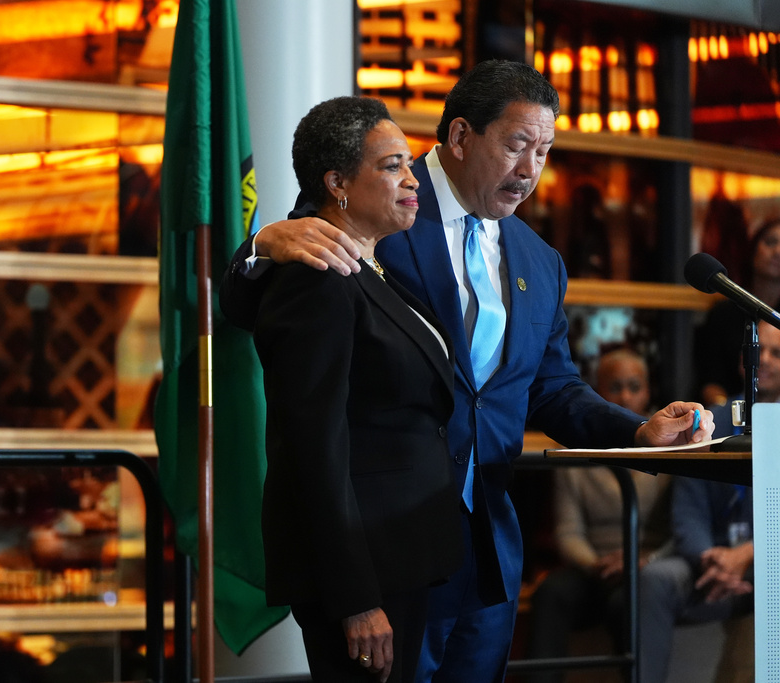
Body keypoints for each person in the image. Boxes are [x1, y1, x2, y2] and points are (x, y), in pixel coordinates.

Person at [220, 60, 714, 683]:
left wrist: (637, 431)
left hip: (488, 552)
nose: (532, 168)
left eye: (545, 150)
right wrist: (260, 242)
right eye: (516, 145)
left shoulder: (541, 260)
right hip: (384, 546)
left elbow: (551, 389)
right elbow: (268, 292)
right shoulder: (380, 206)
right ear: (459, 138)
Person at [255, 96, 463, 683]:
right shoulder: (316, 282)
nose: (412, 177)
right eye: (393, 164)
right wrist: (355, 599)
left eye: (409, 162)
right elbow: (313, 448)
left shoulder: (372, 268)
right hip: (362, 572)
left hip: (402, 552)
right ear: (338, 183)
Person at [639, 322, 779, 682]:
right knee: (655, 579)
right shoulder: (712, 418)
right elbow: (688, 508)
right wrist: (709, 558)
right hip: (710, 563)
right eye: (756, 351)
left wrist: (746, 556)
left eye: (776, 353)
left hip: (770, 564)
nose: (763, 360)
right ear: (740, 361)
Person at [526, 348, 672, 683]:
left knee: (630, 602)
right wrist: (597, 565)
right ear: (596, 392)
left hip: (648, 566)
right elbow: (567, 531)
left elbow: (679, 531)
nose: (625, 395)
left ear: (648, 391)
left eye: (634, 387)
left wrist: (644, 561)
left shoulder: (670, 448)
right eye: (615, 386)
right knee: (551, 593)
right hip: (594, 568)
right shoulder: (578, 448)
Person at [695, 217, 780, 406]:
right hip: (731, 415)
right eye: (770, 242)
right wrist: (731, 415)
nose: (778, 252)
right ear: (753, 250)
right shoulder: (724, 314)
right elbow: (710, 380)